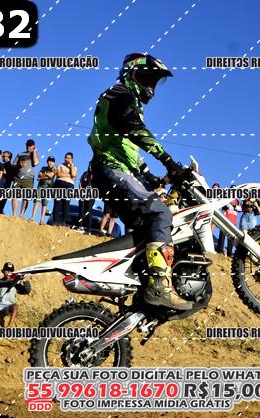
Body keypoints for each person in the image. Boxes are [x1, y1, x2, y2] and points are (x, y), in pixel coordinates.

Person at [87, 53, 192, 310]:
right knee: (160, 213)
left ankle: (140, 282)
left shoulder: (126, 100)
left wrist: (154, 177)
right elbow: (134, 130)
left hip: (114, 169)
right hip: (111, 169)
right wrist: (168, 161)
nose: (150, 86)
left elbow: (129, 151)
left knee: (147, 226)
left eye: (154, 81)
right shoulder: (120, 94)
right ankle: (158, 286)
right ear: (131, 74)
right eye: (147, 78)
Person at [12, 139, 39, 217]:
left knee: (26, 198)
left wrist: (34, 151)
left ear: (33, 146)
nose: (28, 147)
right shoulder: (20, 154)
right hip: (18, 178)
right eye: (27, 145)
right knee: (14, 196)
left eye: (30, 146)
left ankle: (21, 215)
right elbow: (13, 165)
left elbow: (36, 162)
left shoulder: (34, 155)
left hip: (28, 179)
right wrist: (19, 165)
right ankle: (14, 215)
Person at [52, 152, 77, 226]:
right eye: (66, 157)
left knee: (66, 203)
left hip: (69, 185)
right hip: (59, 184)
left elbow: (74, 175)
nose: (67, 159)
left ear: (72, 159)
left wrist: (71, 166)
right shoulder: (60, 165)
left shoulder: (74, 167)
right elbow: (59, 174)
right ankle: (55, 221)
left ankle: (64, 222)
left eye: (69, 158)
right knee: (57, 202)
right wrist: (69, 175)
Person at [31, 156, 56, 224]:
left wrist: (42, 176)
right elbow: (39, 175)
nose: (50, 162)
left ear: (54, 162)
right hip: (41, 186)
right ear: (47, 161)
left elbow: (50, 175)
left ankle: (42, 220)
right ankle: (33, 217)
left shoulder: (54, 168)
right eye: (49, 161)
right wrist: (44, 175)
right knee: (37, 201)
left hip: (48, 187)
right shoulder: (43, 168)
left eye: (52, 161)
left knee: (45, 204)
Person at [78, 164, 95, 233]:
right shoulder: (85, 174)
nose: (90, 167)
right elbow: (80, 183)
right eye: (90, 166)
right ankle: (80, 226)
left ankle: (89, 229)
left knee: (88, 211)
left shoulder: (97, 175)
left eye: (92, 166)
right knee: (81, 210)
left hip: (91, 196)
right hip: (83, 194)